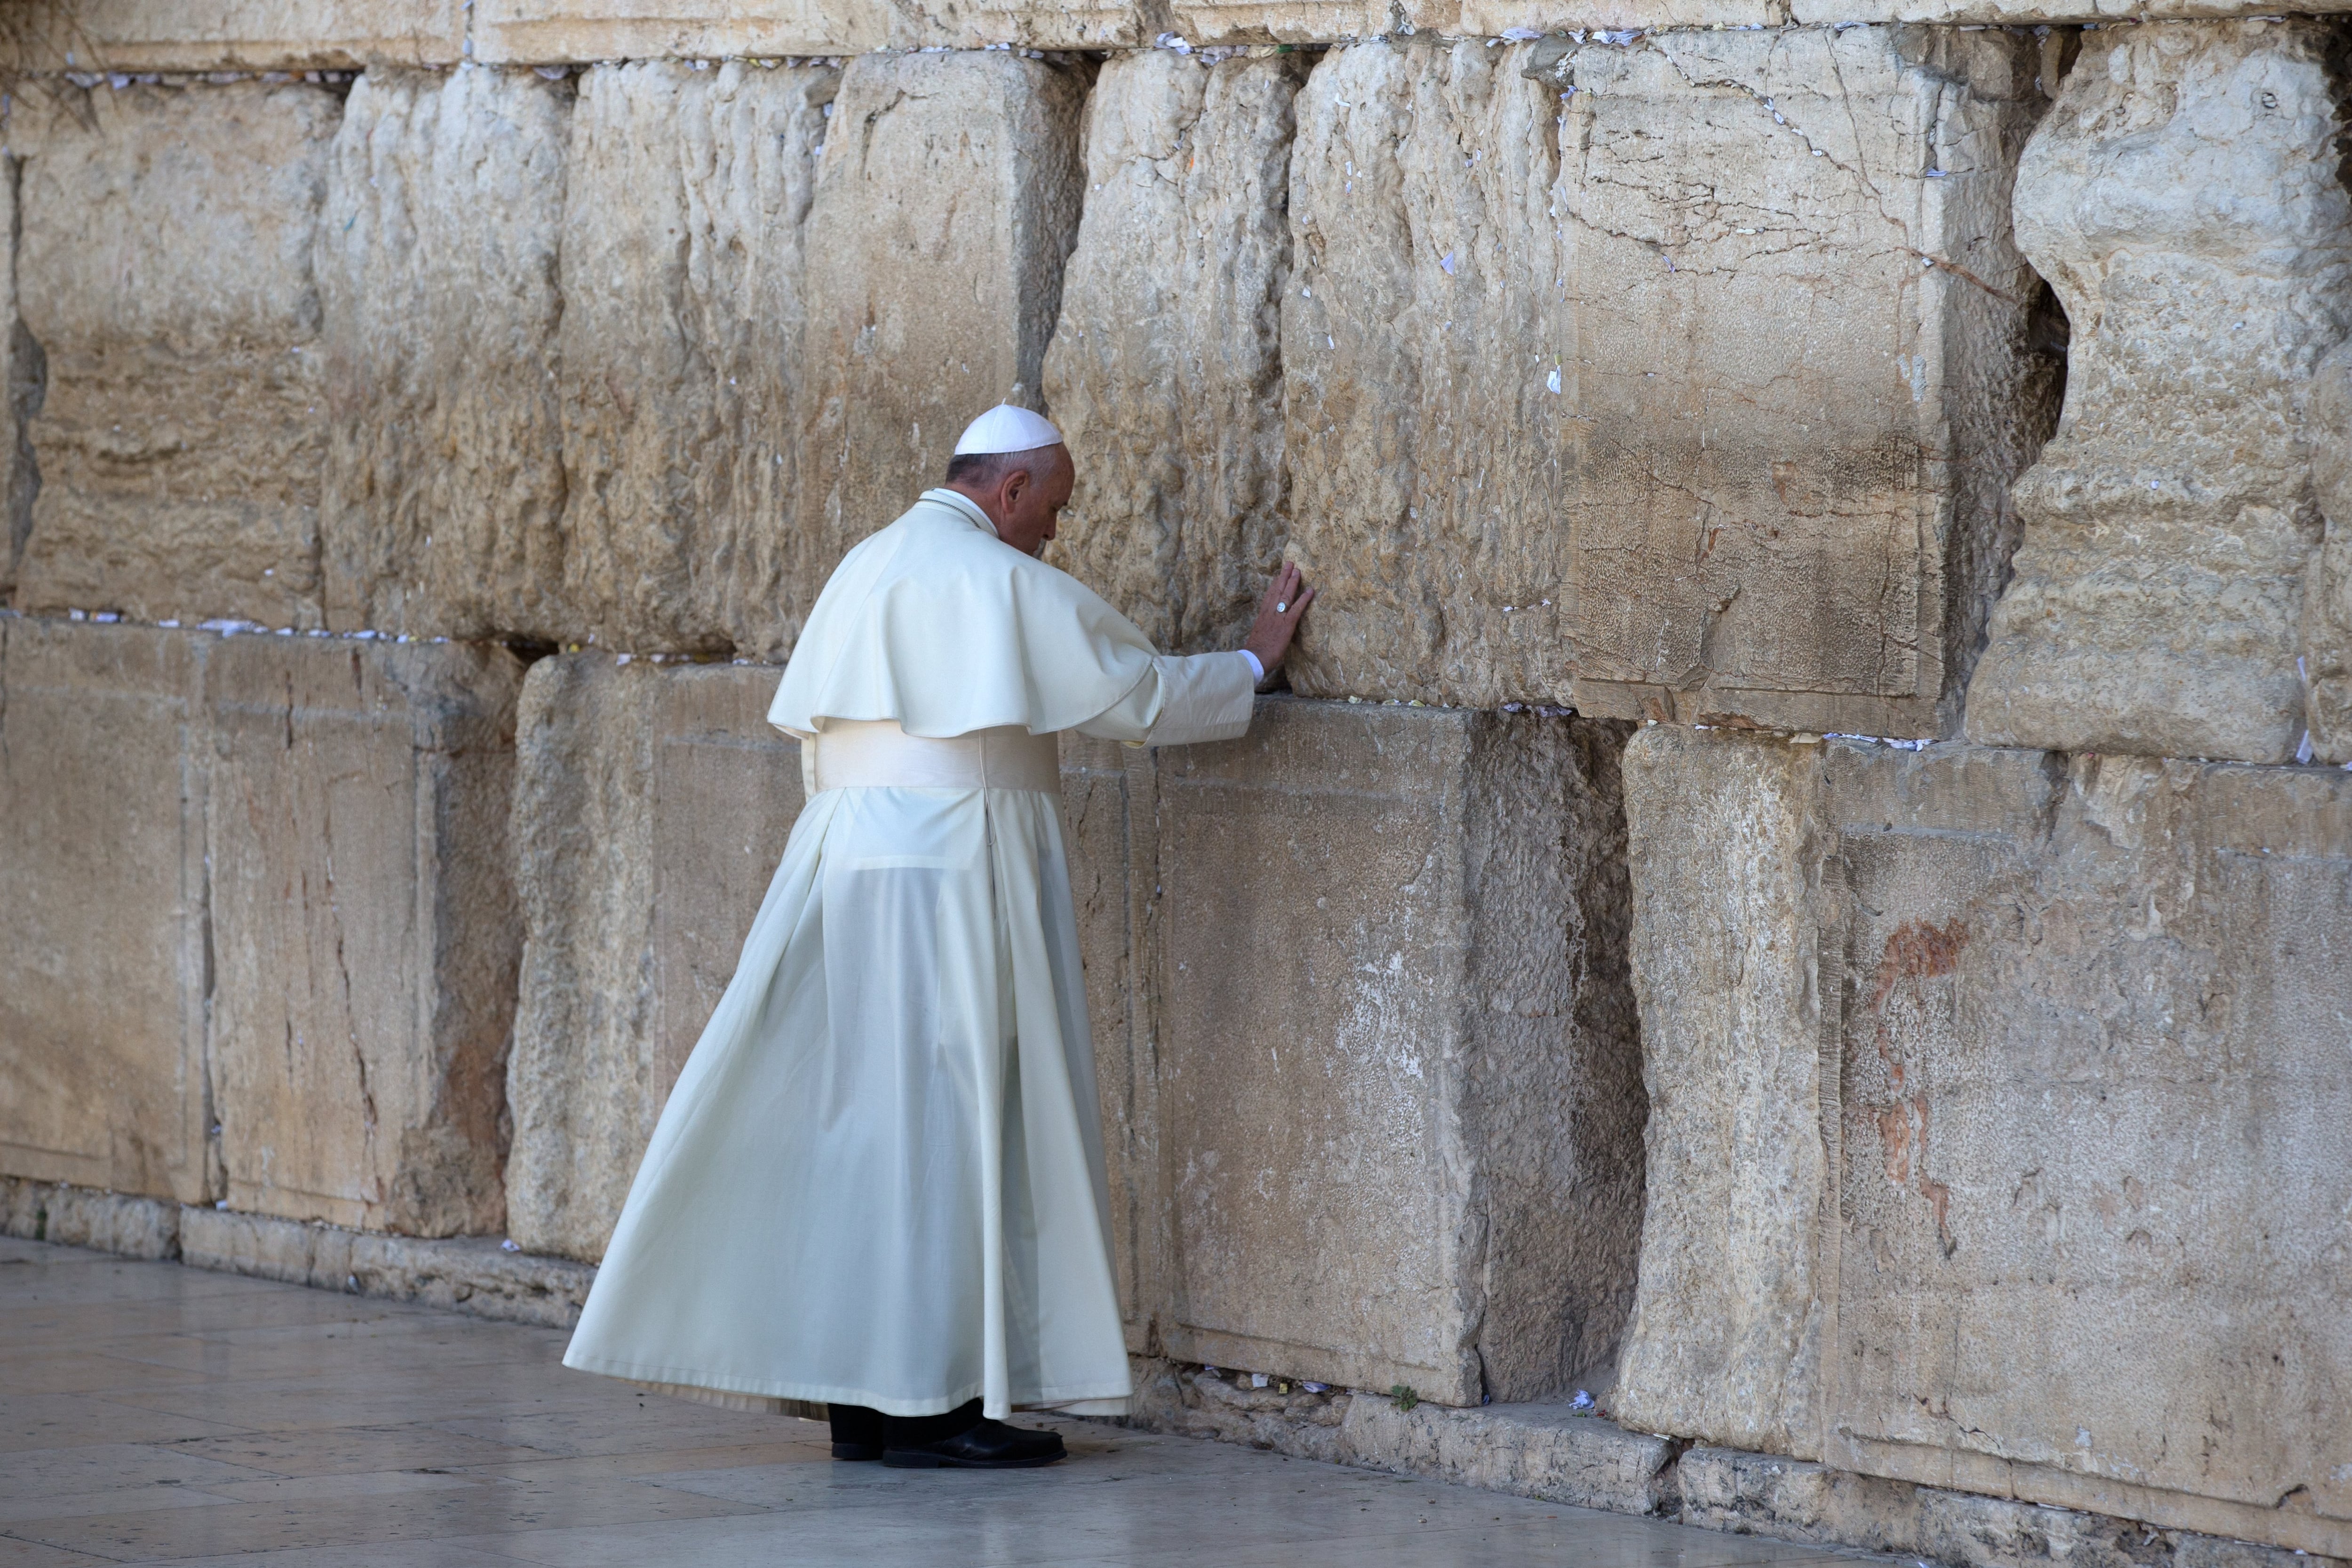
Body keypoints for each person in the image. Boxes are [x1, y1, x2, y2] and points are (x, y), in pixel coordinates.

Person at [561, 404, 1315, 1469]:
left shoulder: (866, 564)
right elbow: (1136, 696)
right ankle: (936, 1408)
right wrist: (1248, 663)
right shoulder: (995, 580)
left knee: (874, 1127)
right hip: (953, 869)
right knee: (954, 1125)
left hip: (845, 862)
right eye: (1052, 507)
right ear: (1010, 489)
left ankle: (869, 1399)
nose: (1056, 532)